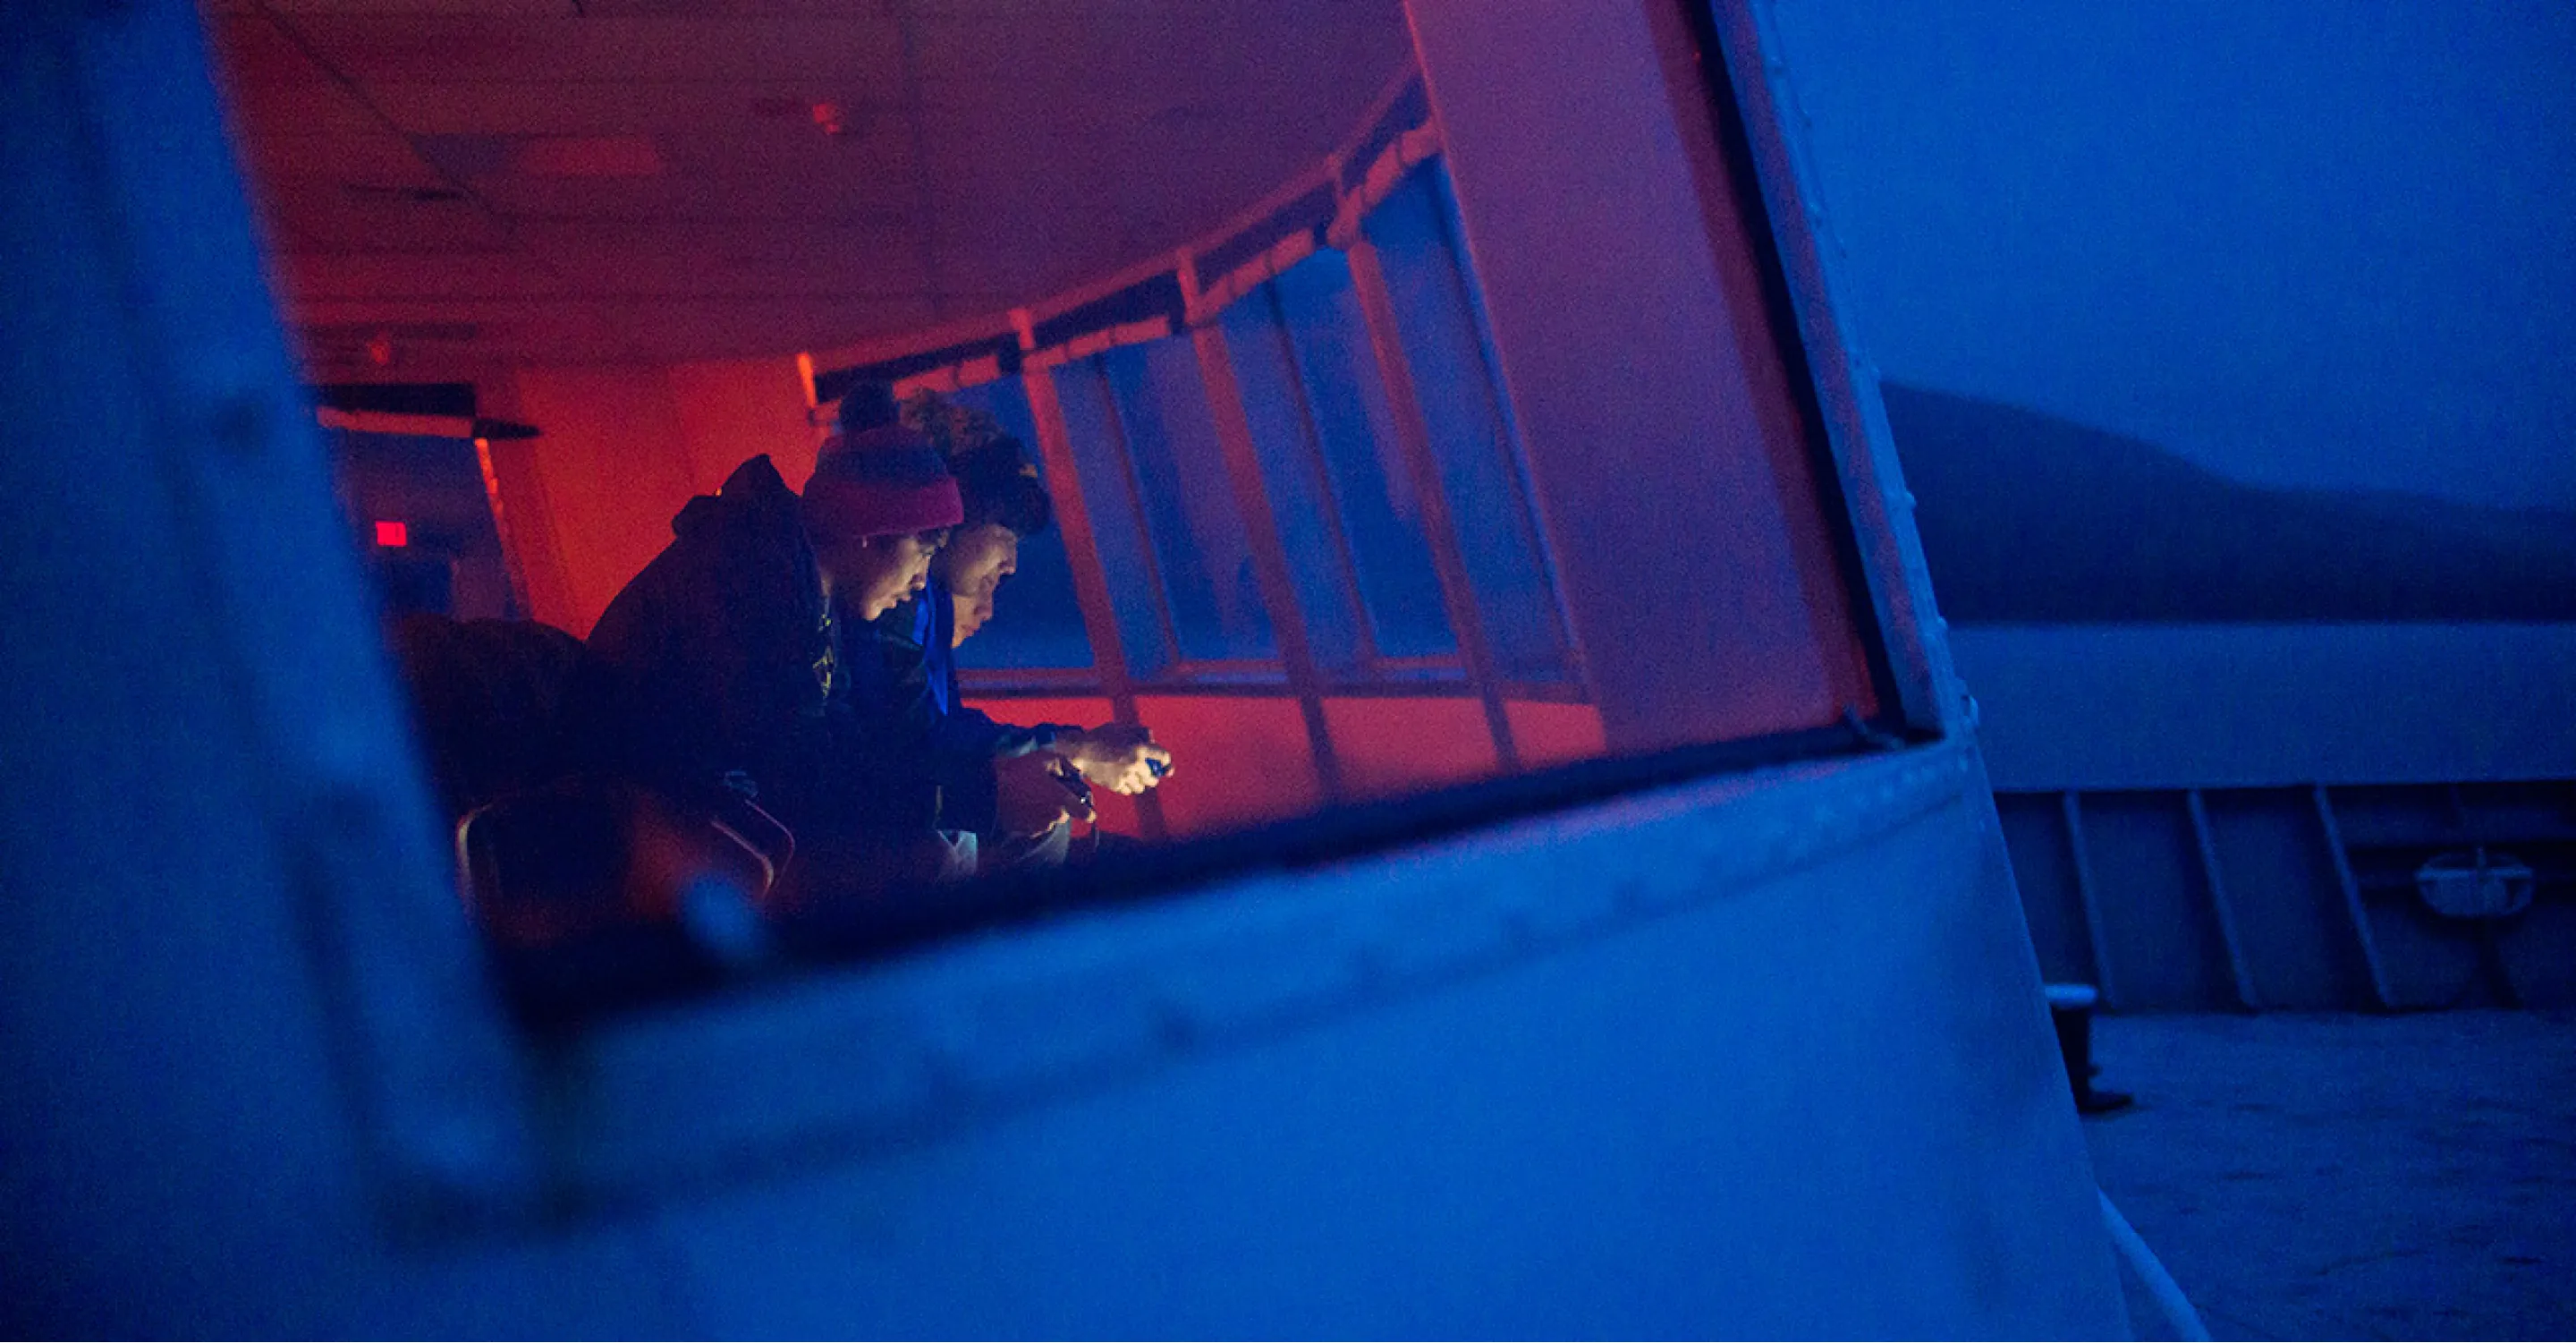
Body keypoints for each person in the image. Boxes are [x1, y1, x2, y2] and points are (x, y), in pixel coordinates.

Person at [567, 409, 1086, 909]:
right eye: (925, 551)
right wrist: (983, 796)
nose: (922, 582)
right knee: (930, 859)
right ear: (872, 530)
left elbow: (840, 751)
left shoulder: (808, 593)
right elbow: (800, 777)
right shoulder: (750, 582)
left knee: (941, 847)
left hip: (700, 810)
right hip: (628, 833)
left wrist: (983, 784)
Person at [833, 386, 1171, 874]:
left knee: (1047, 820)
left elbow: (940, 727)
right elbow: (920, 738)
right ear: (953, 511)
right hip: (883, 834)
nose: (1011, 563)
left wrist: (1069, 753)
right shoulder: (895, 599)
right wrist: (1078, 751)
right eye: (1005, 534)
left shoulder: (928, 602)